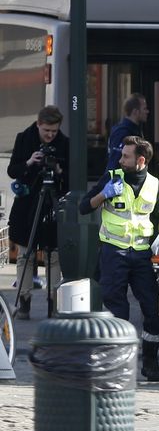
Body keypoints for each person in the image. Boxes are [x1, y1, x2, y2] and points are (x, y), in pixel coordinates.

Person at [80, 136, 159, 381]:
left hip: (142, 255)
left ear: (141, 160)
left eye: (126, 157)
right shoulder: (111, 178)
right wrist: (104, 195)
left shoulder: (156, 185)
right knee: (118, 309)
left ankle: (150, 362)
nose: (120, 160)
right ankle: (118, 364)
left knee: (152, 309)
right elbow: (83, 206)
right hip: (113, 252)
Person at [7, 106, 69, 320]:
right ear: (38, 125)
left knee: (53, 255)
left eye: (54, 131)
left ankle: (53, 302)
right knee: (26, 254)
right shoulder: (24, 138)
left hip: (52, 204)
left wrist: (60, 171)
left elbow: (72, 178)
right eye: (46, 131)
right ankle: (24, 303)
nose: (51, 135)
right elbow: (12, 170)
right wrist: (29, 162)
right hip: (28, 203)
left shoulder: (64, 143)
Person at [106, 93, 149, 171]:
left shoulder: (134, 130)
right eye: (144, 108)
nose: (147, 111)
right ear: (135, 111)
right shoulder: (123, 133)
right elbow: (115, 162)